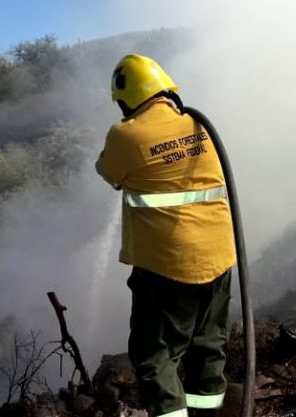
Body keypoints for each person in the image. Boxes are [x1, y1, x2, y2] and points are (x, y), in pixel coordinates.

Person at [96, 53, 236, 417]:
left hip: (168, 266)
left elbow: (107, 172)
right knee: (208, 347)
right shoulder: (198, 125)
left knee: (155, 356)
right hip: (220, 256)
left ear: (126, 99)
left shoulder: (125, 134)